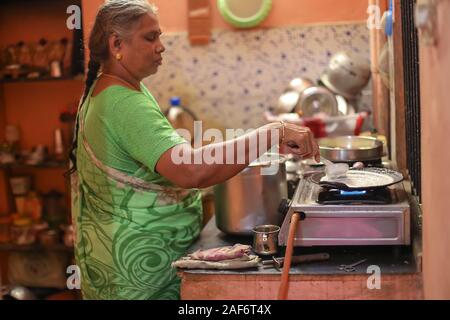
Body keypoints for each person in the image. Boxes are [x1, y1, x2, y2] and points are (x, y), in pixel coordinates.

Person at [69, 0, 320, 300]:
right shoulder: (122, 102)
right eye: (150, 38)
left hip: (121, 264)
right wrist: (272, 132)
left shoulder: (112, 90)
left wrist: (247, 145)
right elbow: (190, 169)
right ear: (116, 44)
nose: (161, 46)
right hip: (140, 277)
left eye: (159, 36)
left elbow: (173, 157)